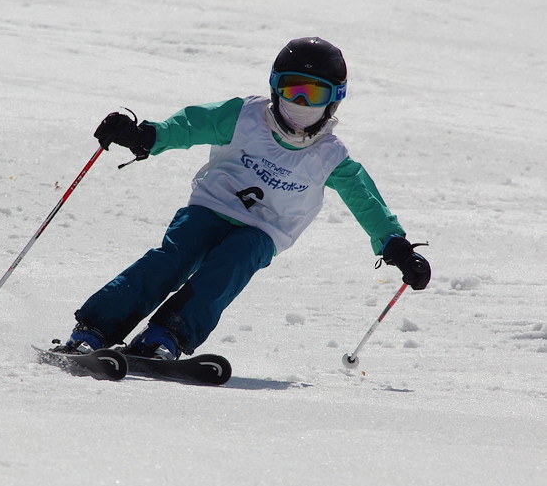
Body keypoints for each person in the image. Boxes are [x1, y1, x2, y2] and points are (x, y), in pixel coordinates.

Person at [54, 37, 430, 360]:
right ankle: (94, 330)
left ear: (334, 100)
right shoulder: (245, 116)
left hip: (265, 228)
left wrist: (395, 246)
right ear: (274, 88)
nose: (300, 102)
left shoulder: (329, 156)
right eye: (292, 89)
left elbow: (365, 200)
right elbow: (191, 124)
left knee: (233, 262)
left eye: (313, 93)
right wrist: (147, 136)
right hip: (211, 206)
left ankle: (165, 335)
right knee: (174, 258)